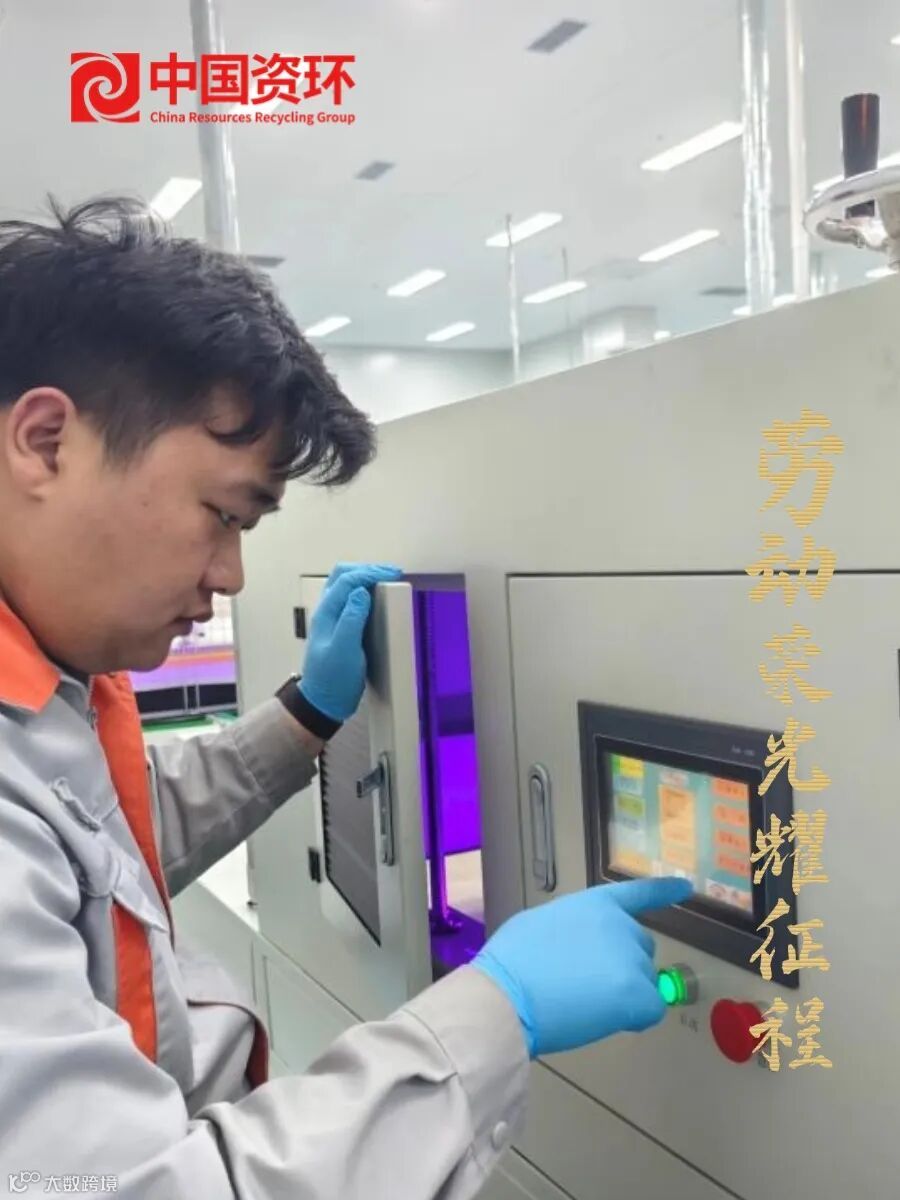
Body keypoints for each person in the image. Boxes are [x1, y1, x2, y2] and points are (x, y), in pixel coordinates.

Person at [0, 197, 691, 1199]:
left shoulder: (53, 684)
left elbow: (95, 840)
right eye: (223, 513)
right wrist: (497, 1010)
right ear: (45, 441)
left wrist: (305, 720)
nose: (231, 577)